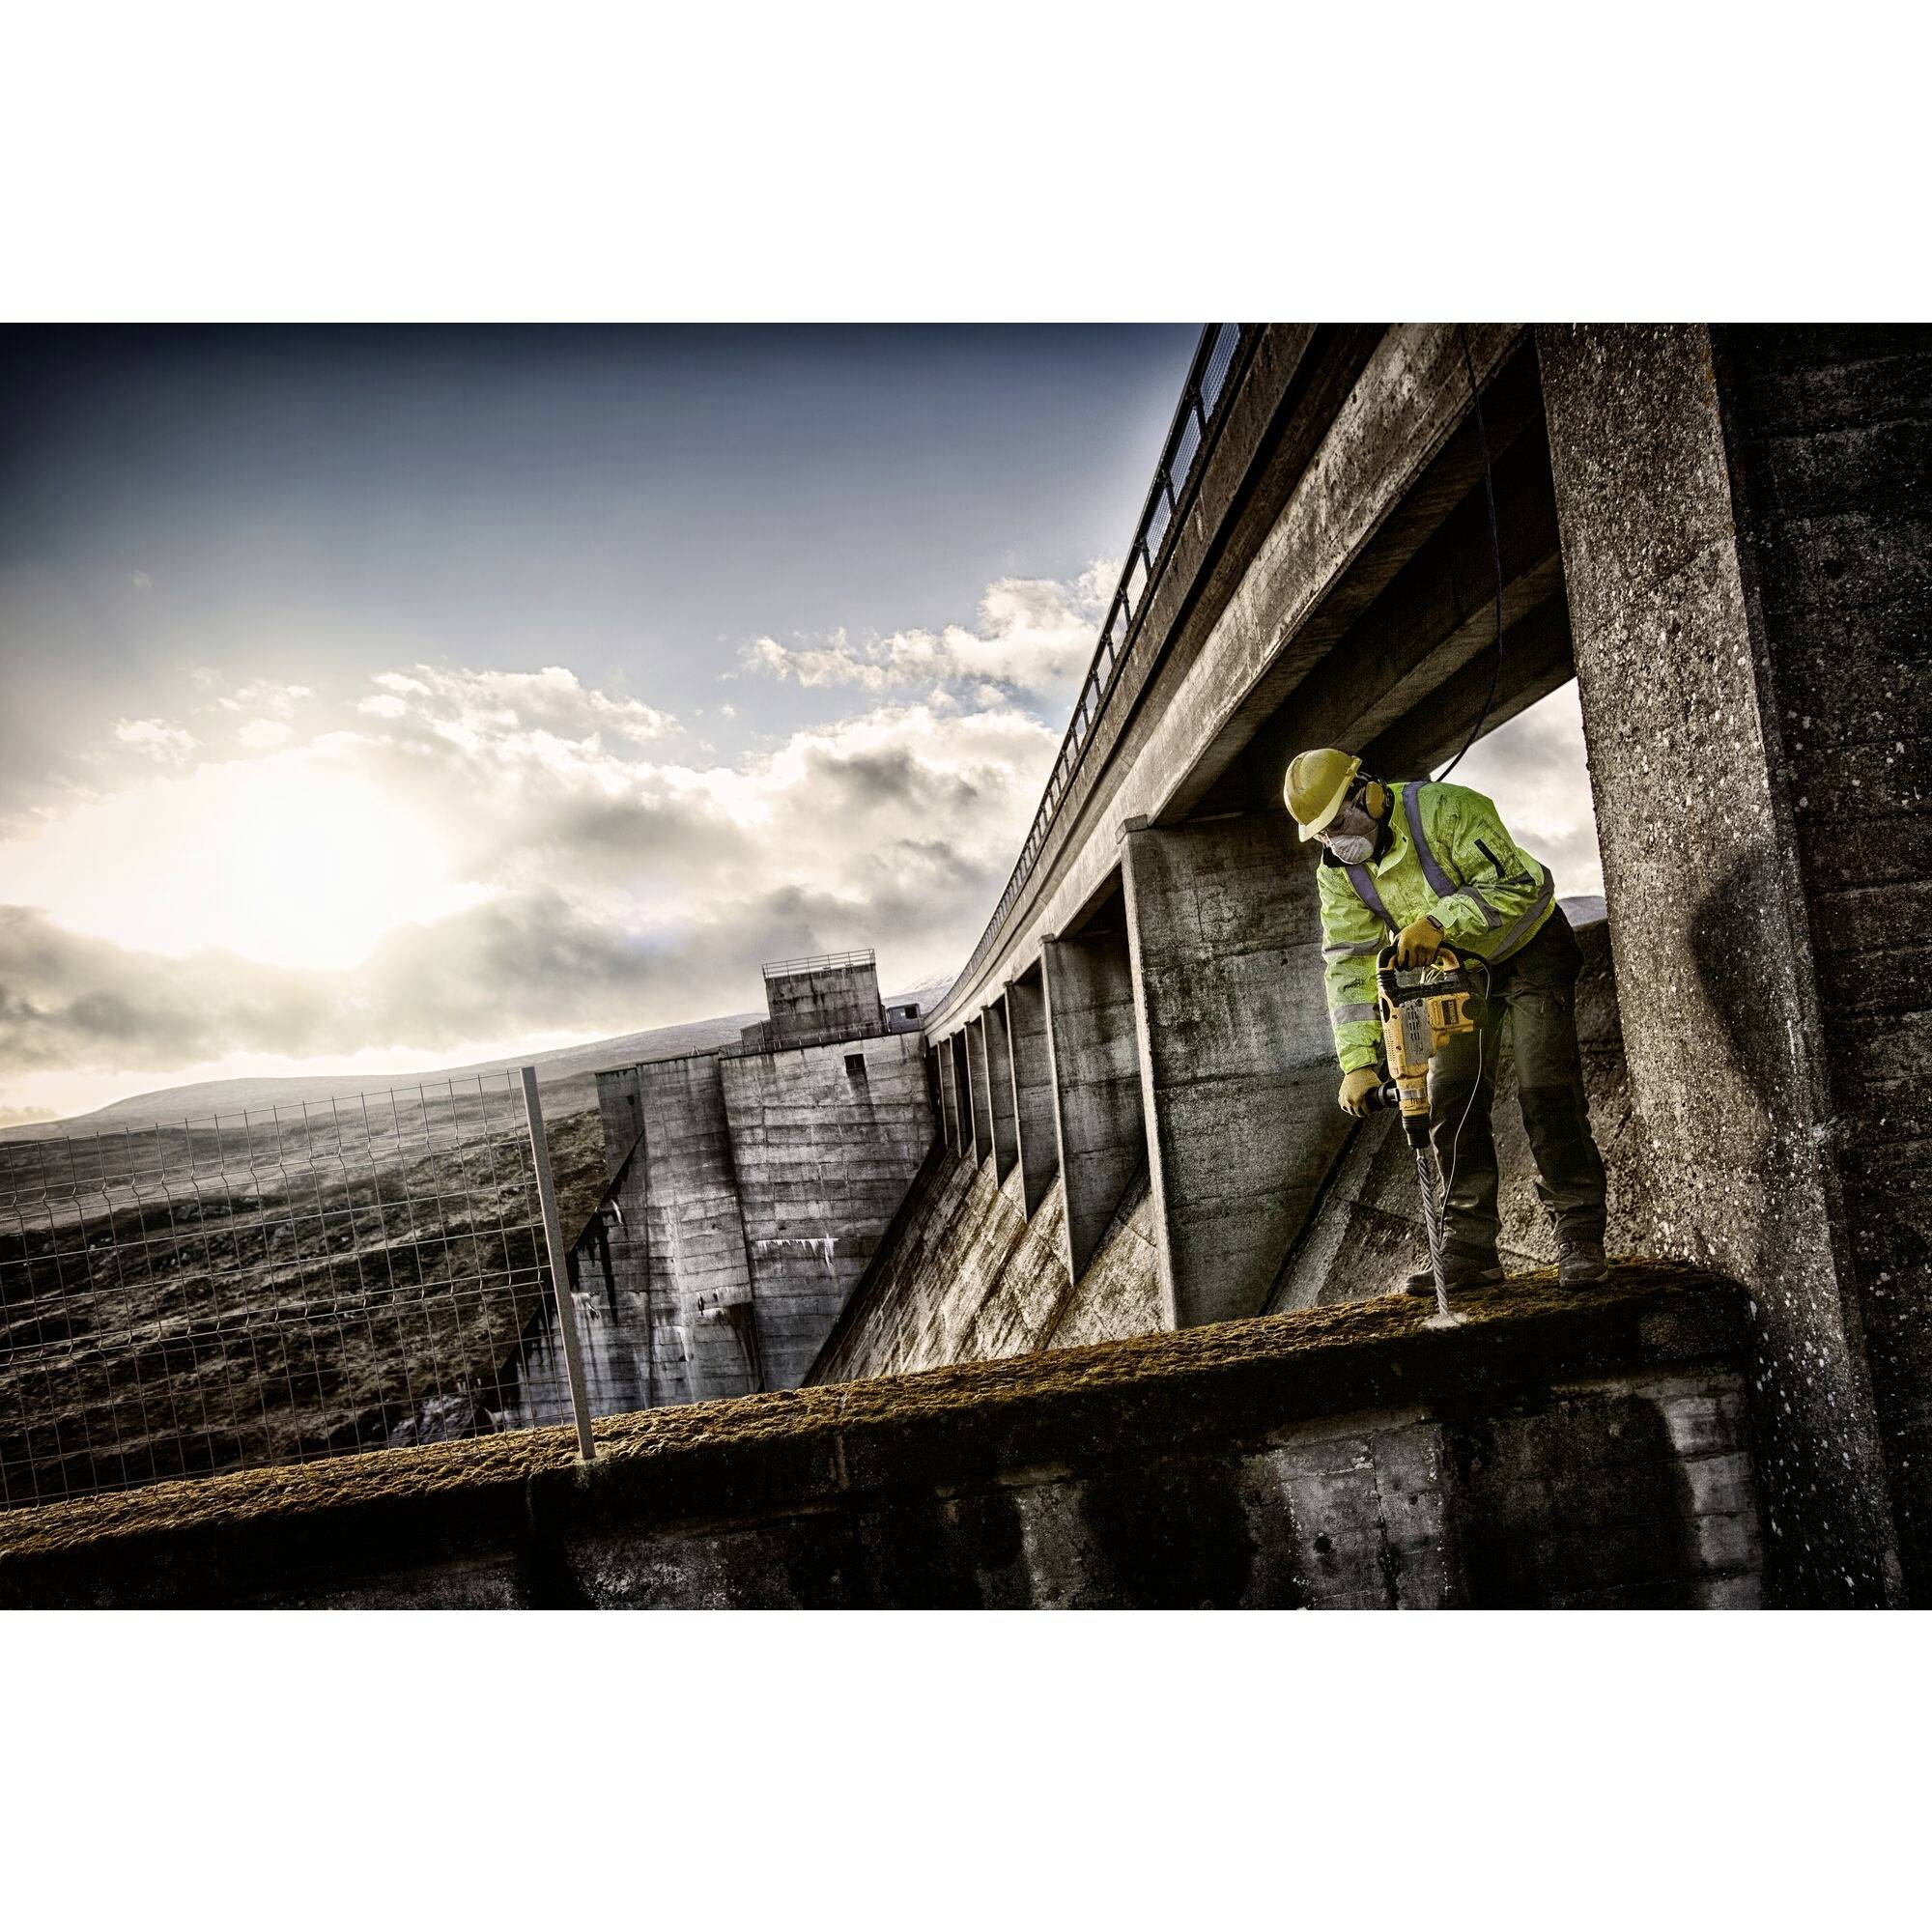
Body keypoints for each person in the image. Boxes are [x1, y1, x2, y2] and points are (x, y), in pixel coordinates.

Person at [1283, 747, 1609, 1293]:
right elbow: (1347, 964)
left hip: (1527, 949)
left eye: (1338, 822)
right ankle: (1470, 1251)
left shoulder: (1449, 810)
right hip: (1454, 971)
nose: (1334, 840)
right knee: (1451, 1095)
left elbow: (1523, 886)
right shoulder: (1340, 872)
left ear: (1367, 790)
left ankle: (1578, 1234)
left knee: (1543, 1086)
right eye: (1321, 834)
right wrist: (1359, 1063)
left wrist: (1439, 920)